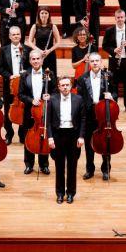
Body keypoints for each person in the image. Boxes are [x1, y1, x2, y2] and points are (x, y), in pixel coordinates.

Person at [47, 74, 86, 203]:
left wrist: (81, 136)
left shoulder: (78, 99)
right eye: (62, 85)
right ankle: (59, 193)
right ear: (58, 87)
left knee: (72, 166)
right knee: (59, 166)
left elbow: (82, 119)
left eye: (67, 85)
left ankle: (70, 193)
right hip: (58, 136)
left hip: (73, 136)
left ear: (71, 86)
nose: (65, 87)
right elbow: (48, 121)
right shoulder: (52, 100)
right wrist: (50, 137)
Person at [76, 52, 114, 180]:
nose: (95, 63)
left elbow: (115, 93)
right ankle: (89, 169)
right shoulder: (82, 78)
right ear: (89, 63)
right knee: (88, 143)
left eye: (97, 60)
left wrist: (112, 96)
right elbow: (80, 98)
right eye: (92, 61)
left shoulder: (108, 76)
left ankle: (106, 169)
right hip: (89, 113)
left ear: (101, 61)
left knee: (106, 142)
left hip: (104, 114)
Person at [17, 50, 53, 176]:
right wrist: (31, 100)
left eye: (38, 58)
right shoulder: (24, 75)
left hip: (44, 110)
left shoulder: (49, 73)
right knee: (29, 136)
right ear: (30, 60)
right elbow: (20, 94)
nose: (36, 61)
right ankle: (29, 164)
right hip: (29, 111)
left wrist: (50, 96)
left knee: (44, 135)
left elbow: (55, 91)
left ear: (42, 60)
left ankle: (44, 165)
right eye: (33, 59)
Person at [0, 26, 29, 144]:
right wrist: (10, 76)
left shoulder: (27, 49)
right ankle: (9, 134)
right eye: (13, 34)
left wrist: (25, 74)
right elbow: (0, 68)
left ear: (21, 35)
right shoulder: (3, 50)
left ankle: (22, 134)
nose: (16, 36)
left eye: (18, 34)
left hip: (24, 86)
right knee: (8, 110)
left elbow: (31, 66)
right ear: (9, 36)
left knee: (23, 110)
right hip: (9, 85)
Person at [100, 9, 126, 111]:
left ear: (125, 18)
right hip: (114, 60)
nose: (120, 19)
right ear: (115, 18)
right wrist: (113, 50)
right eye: (118, 17)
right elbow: (104, 46)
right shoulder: (109, 31)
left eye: (122, 17)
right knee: (113, 84)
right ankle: (114, 105)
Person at [27, 7, 62, 77]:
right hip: (38, 55)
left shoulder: (53, 27)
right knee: (39, 74)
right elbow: (29, 42)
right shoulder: (35, 26)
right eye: (42, 13)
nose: (44, 15)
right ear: (39, 15)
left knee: (51, 74)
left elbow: (58, 42)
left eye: (46, 13)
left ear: (49, 15)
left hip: (50, 54)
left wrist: (49, 51)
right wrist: (39, 50)